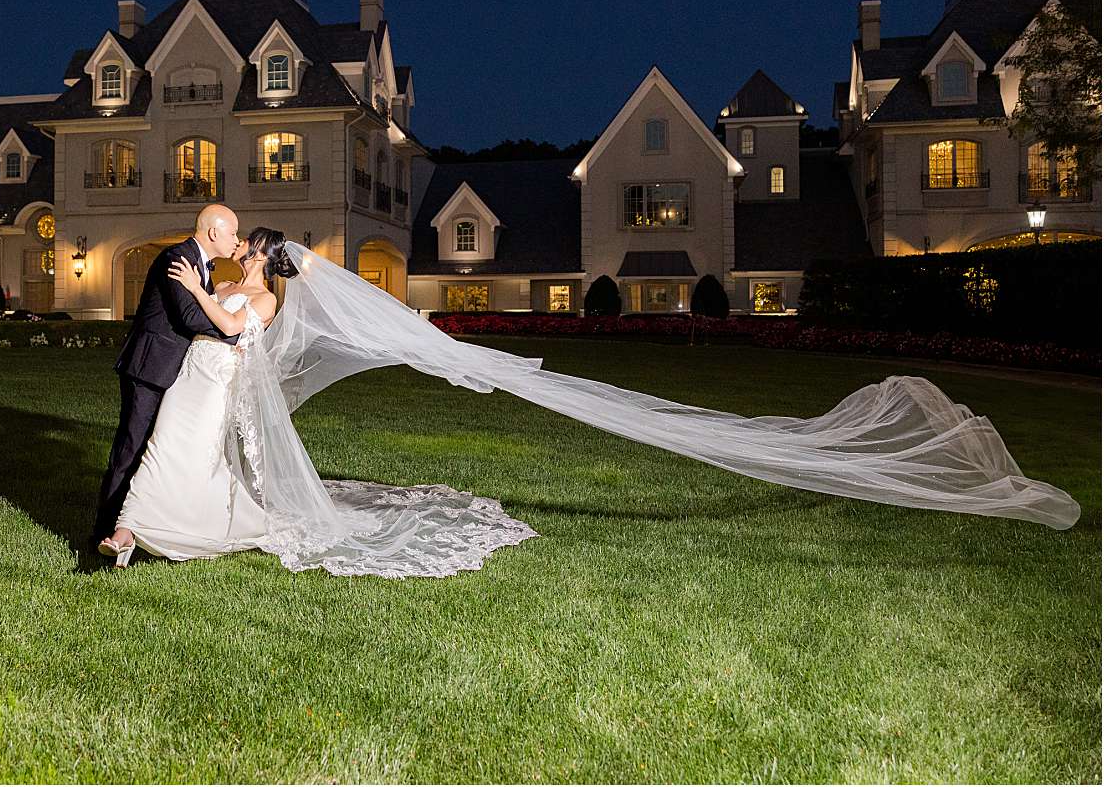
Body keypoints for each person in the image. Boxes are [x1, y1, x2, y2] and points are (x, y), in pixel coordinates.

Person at [98, 235, 1078, 578]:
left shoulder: (262, 296)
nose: (239, 265)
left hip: (215, 379)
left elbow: (236, 329)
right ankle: (154, 519)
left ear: (261, 265)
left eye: (245, 258)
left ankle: (155, 521)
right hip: (208, 391)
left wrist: (210, 298)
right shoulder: (269, 293)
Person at [96, 227, 285, 567]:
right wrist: (198, 290)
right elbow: (196, 319)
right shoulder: (224, 286)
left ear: (257, 254)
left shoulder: (266, 298)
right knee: (160, 445)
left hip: (217, 383)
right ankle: (126, 531)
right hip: (188, 375)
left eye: (245, 240)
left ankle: (188, 520)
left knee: (197, 456)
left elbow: (229, 326)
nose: (238, 242)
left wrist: (196, 287)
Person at [91, 204, 241, 555]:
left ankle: (135, 528)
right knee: (130, 449)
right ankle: (103, 531)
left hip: (170, 370)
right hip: (149, 368)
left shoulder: (201, 264)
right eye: (232, 232)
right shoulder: (179, 258)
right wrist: (234, 335)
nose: (236, 239)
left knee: (152, 451)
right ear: (215, 232)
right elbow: (189, 316)